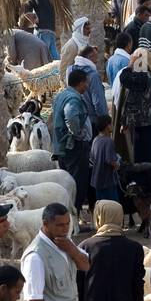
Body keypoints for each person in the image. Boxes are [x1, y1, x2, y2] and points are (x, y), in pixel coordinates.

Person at [51, 67, 94, 219]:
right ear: (80, 83)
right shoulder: (73, 98)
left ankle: (67, 218)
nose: (87, 86)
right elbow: (71, 117)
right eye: (86, 83)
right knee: (76, 184)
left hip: (62, 147)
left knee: (66, 184)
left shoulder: (62, 94)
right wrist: (79, 134)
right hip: (73, 148)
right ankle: (73, 218)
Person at [117, 48, 151, 163]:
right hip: (147, 122)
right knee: (146, 157)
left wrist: (130, 64)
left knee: (142, 159)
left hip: (142, 124)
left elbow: (124, 79)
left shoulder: (142, 76)